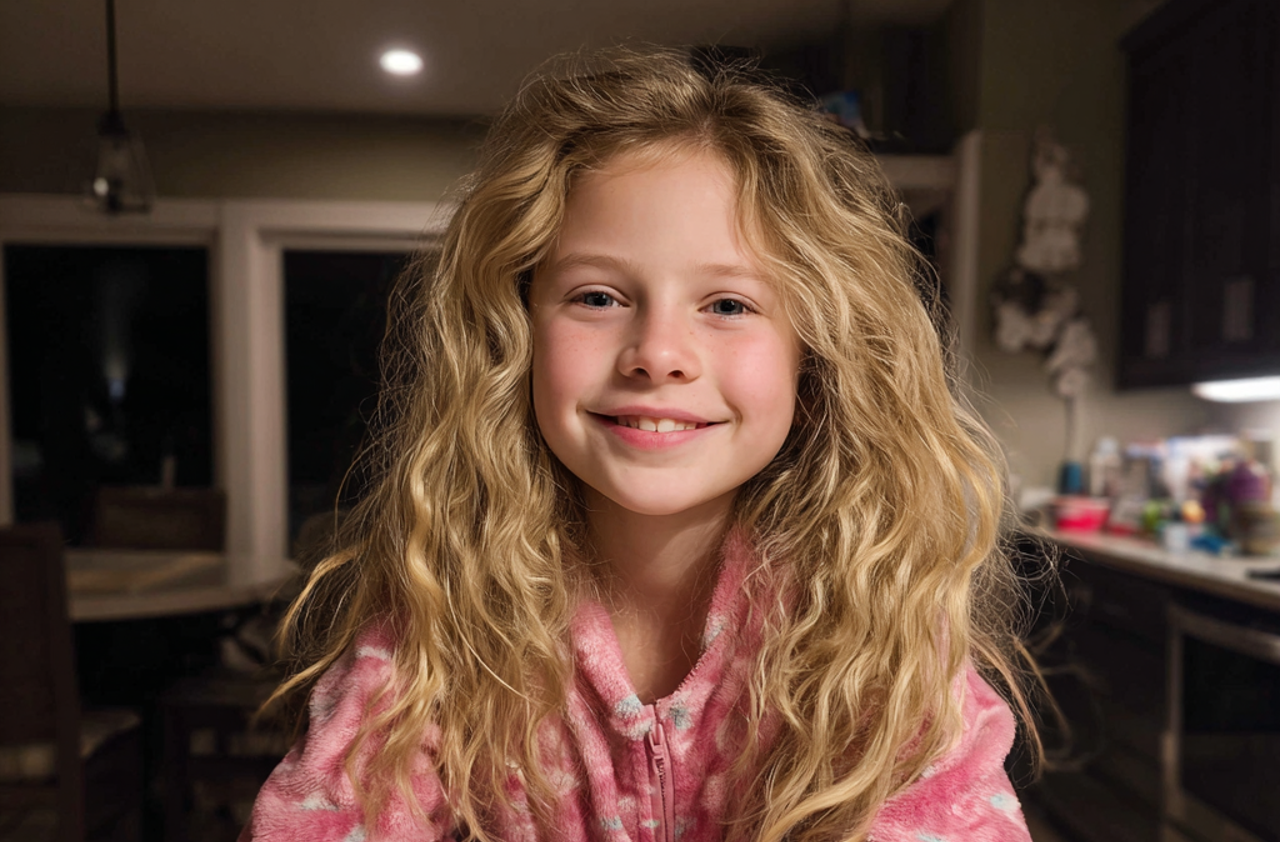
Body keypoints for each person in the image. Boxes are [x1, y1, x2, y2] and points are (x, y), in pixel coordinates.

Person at [241, 48, 1038, 842]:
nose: (658, 354)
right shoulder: (443, 615)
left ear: (816, 357)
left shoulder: (879, 629)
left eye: (728, 304)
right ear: (514, 337)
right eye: (597, 296)